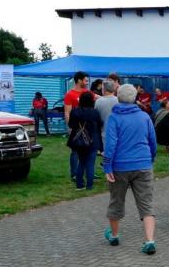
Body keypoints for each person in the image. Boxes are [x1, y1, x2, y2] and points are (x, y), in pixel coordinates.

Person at [102, 84, 158, 254]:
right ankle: (149, 240)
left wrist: (107, 166)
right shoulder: (144, 117)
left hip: (120, 166)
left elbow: (110, 144)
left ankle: (114, 235)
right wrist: (150, 158)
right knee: (146, 203)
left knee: (116, 200)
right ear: (135, 98)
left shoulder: (114, 118)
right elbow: (152, 141)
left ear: (118, 97)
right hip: (143, 164)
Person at [67, 91, 103, 190]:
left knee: (81, 162)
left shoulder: (75, 111)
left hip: (79, 140)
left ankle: (80, 185)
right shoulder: (94, 112)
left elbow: (71, 125)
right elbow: (100, 125)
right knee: (90, 163)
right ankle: (89, 185)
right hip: (92, 140)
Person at [64, 71, 89, 180]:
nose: (87, 82)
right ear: (79, 80)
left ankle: (89, 172)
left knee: (88, 150)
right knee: (75, 151)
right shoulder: (70, 94)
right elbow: (67, 112)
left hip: (87, 127)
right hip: (76, 127)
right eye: (85, 80)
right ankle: (74, 174)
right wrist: (70, 127)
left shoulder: (87, 92)